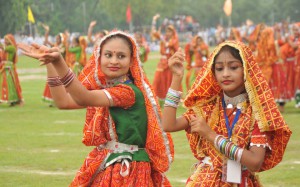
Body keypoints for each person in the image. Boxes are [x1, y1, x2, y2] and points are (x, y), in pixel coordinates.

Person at [18, 30, 174, 187]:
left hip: (128, 169)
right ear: (99, 58)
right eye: (108, 55)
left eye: (121, 56)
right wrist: (50, 63)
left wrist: (60, 61)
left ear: (131, 61)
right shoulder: (109, 89)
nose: (114, 61)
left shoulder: (128, 92)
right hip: (111, 162)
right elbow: (63, 102)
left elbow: (83, 97)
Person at [162, 41, 291, 186]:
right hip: (205, 181)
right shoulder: (207, 107)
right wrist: (176, 78)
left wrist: (211, 135)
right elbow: (168, 124)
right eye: (219, 68)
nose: (226, 74)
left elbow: (255, 162)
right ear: (213, 72)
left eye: (234, 67)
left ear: (246, 69)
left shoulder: (257, 112)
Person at [151, 14, 179, 100]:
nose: (168, 33)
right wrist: (154, 20)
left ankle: (170, 98)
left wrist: (162, 40)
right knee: (158, 78)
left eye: (170, 31)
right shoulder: (164, 38)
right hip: (162, 62)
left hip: (170, 63)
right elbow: (154, 33)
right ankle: (159, 96)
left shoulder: (174, 40)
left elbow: (170, 45)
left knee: (168, 80)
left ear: (173, 32)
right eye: (167, 31)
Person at [42, 24, 68, 106]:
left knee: (60, 83)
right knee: (53, 82)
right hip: (54, 67)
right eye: (56, 38)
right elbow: (46, 41)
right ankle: (52, 100)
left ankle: (62, 99)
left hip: (61, 67)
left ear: (61, 39)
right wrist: (47, 32)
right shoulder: (55, 46)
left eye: (58, 38)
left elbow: (61, 54)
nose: (56, 39)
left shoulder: (63, 47)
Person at [0, 34, 23, 106]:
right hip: (5, 67)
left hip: (8, 68)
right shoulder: (7, 48)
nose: (5, 41)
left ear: (10, 41)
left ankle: (14, 99)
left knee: (9, 84)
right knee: (4, 83)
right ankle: (7, 99)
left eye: (6, 39)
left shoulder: (12, 48)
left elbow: (3, 48)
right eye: (5, 39)